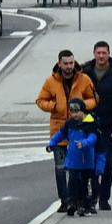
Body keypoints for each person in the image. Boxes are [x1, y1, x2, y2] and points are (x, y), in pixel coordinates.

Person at [36, 50, 97, 213]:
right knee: (60, 168)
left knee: (78, 169)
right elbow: (40, 100)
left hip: (79, 130)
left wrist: (82, 106)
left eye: (71, 63)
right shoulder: (51, 81)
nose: (69, 66)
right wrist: (54, 106)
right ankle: (65, 201)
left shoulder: (84, 79)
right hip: (60, 128)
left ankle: (78, 199)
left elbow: (95, 98)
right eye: (66, 63)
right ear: (59, 64)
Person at [81, 40, 112, 212]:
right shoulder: (86, 72)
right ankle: (93, 196)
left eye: (104, 53)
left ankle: (104, 197)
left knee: (108, 162)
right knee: (91, 161)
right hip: (90, 124)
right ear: (94, 54)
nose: (101, 56)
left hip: (110, 125)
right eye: (99, 53)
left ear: (109, 54)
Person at [47, 99, 104, 217]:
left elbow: (93, 138)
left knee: (84, 184)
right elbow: (60, 134)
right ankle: (71, 203)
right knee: (72, 182)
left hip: (86, 161)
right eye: (72, 112)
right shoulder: (70, 124)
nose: (74, 115)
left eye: (77, 112)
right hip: (73, 160)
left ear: (83, 111)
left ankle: (84, 205)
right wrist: (52, 143)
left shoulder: (90, 124)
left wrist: (84, 143)